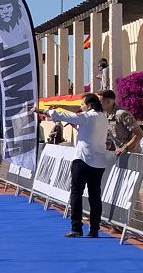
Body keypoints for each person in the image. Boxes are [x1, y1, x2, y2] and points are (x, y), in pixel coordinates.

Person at [42, 93, 108, 238]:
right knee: (95, 196)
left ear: (89, 105)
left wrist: (46, 111)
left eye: (82, 105)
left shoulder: (88, 116)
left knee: (76, 193)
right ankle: (94, 229)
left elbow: (65, 116)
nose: (81, 108)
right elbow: (89, 133)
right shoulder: (103, 117)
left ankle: (76, 227)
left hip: (83, 159)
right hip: (99, 161)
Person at [98, 89, 143, 155]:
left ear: (109, 102)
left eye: (100, 102)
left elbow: (139, 134)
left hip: (131, 154)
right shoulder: (105, 115)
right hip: (119, 154)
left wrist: (124, 148)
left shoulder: (121, 114)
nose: (97, 104)